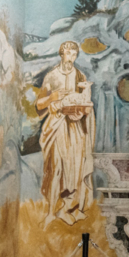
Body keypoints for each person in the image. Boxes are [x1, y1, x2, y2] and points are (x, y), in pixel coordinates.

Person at [38, 40, 96, 227]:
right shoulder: (51, 76)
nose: (71, 58)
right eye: (68, 54)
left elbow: (85, 103)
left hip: (76, 128)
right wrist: (53, 97)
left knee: (75, 169)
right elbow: (39, 105)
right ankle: (50, 211)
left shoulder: (80, 76)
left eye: (74, 55)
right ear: (61, 54)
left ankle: (69, 208)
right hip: (57, 126)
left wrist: (81, 111)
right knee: (57, 167)